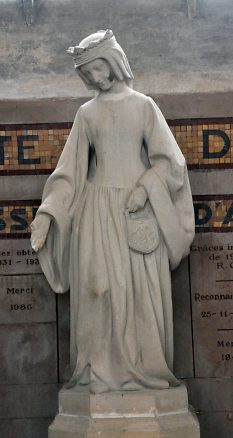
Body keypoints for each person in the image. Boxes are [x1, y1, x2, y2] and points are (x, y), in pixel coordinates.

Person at [31, 29, 195, 394]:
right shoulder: (86, 113)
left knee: (140, 294)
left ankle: (146, 372)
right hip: (96, 212)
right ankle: (98, 373)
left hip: (138, 211)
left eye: (95, 69)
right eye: (85, 74)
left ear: (113, 62)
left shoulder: (144, 106)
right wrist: (47, 214)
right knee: (98, 290)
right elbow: (70, 171)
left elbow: (171, 164)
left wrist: (145, 188)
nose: (92, 79)